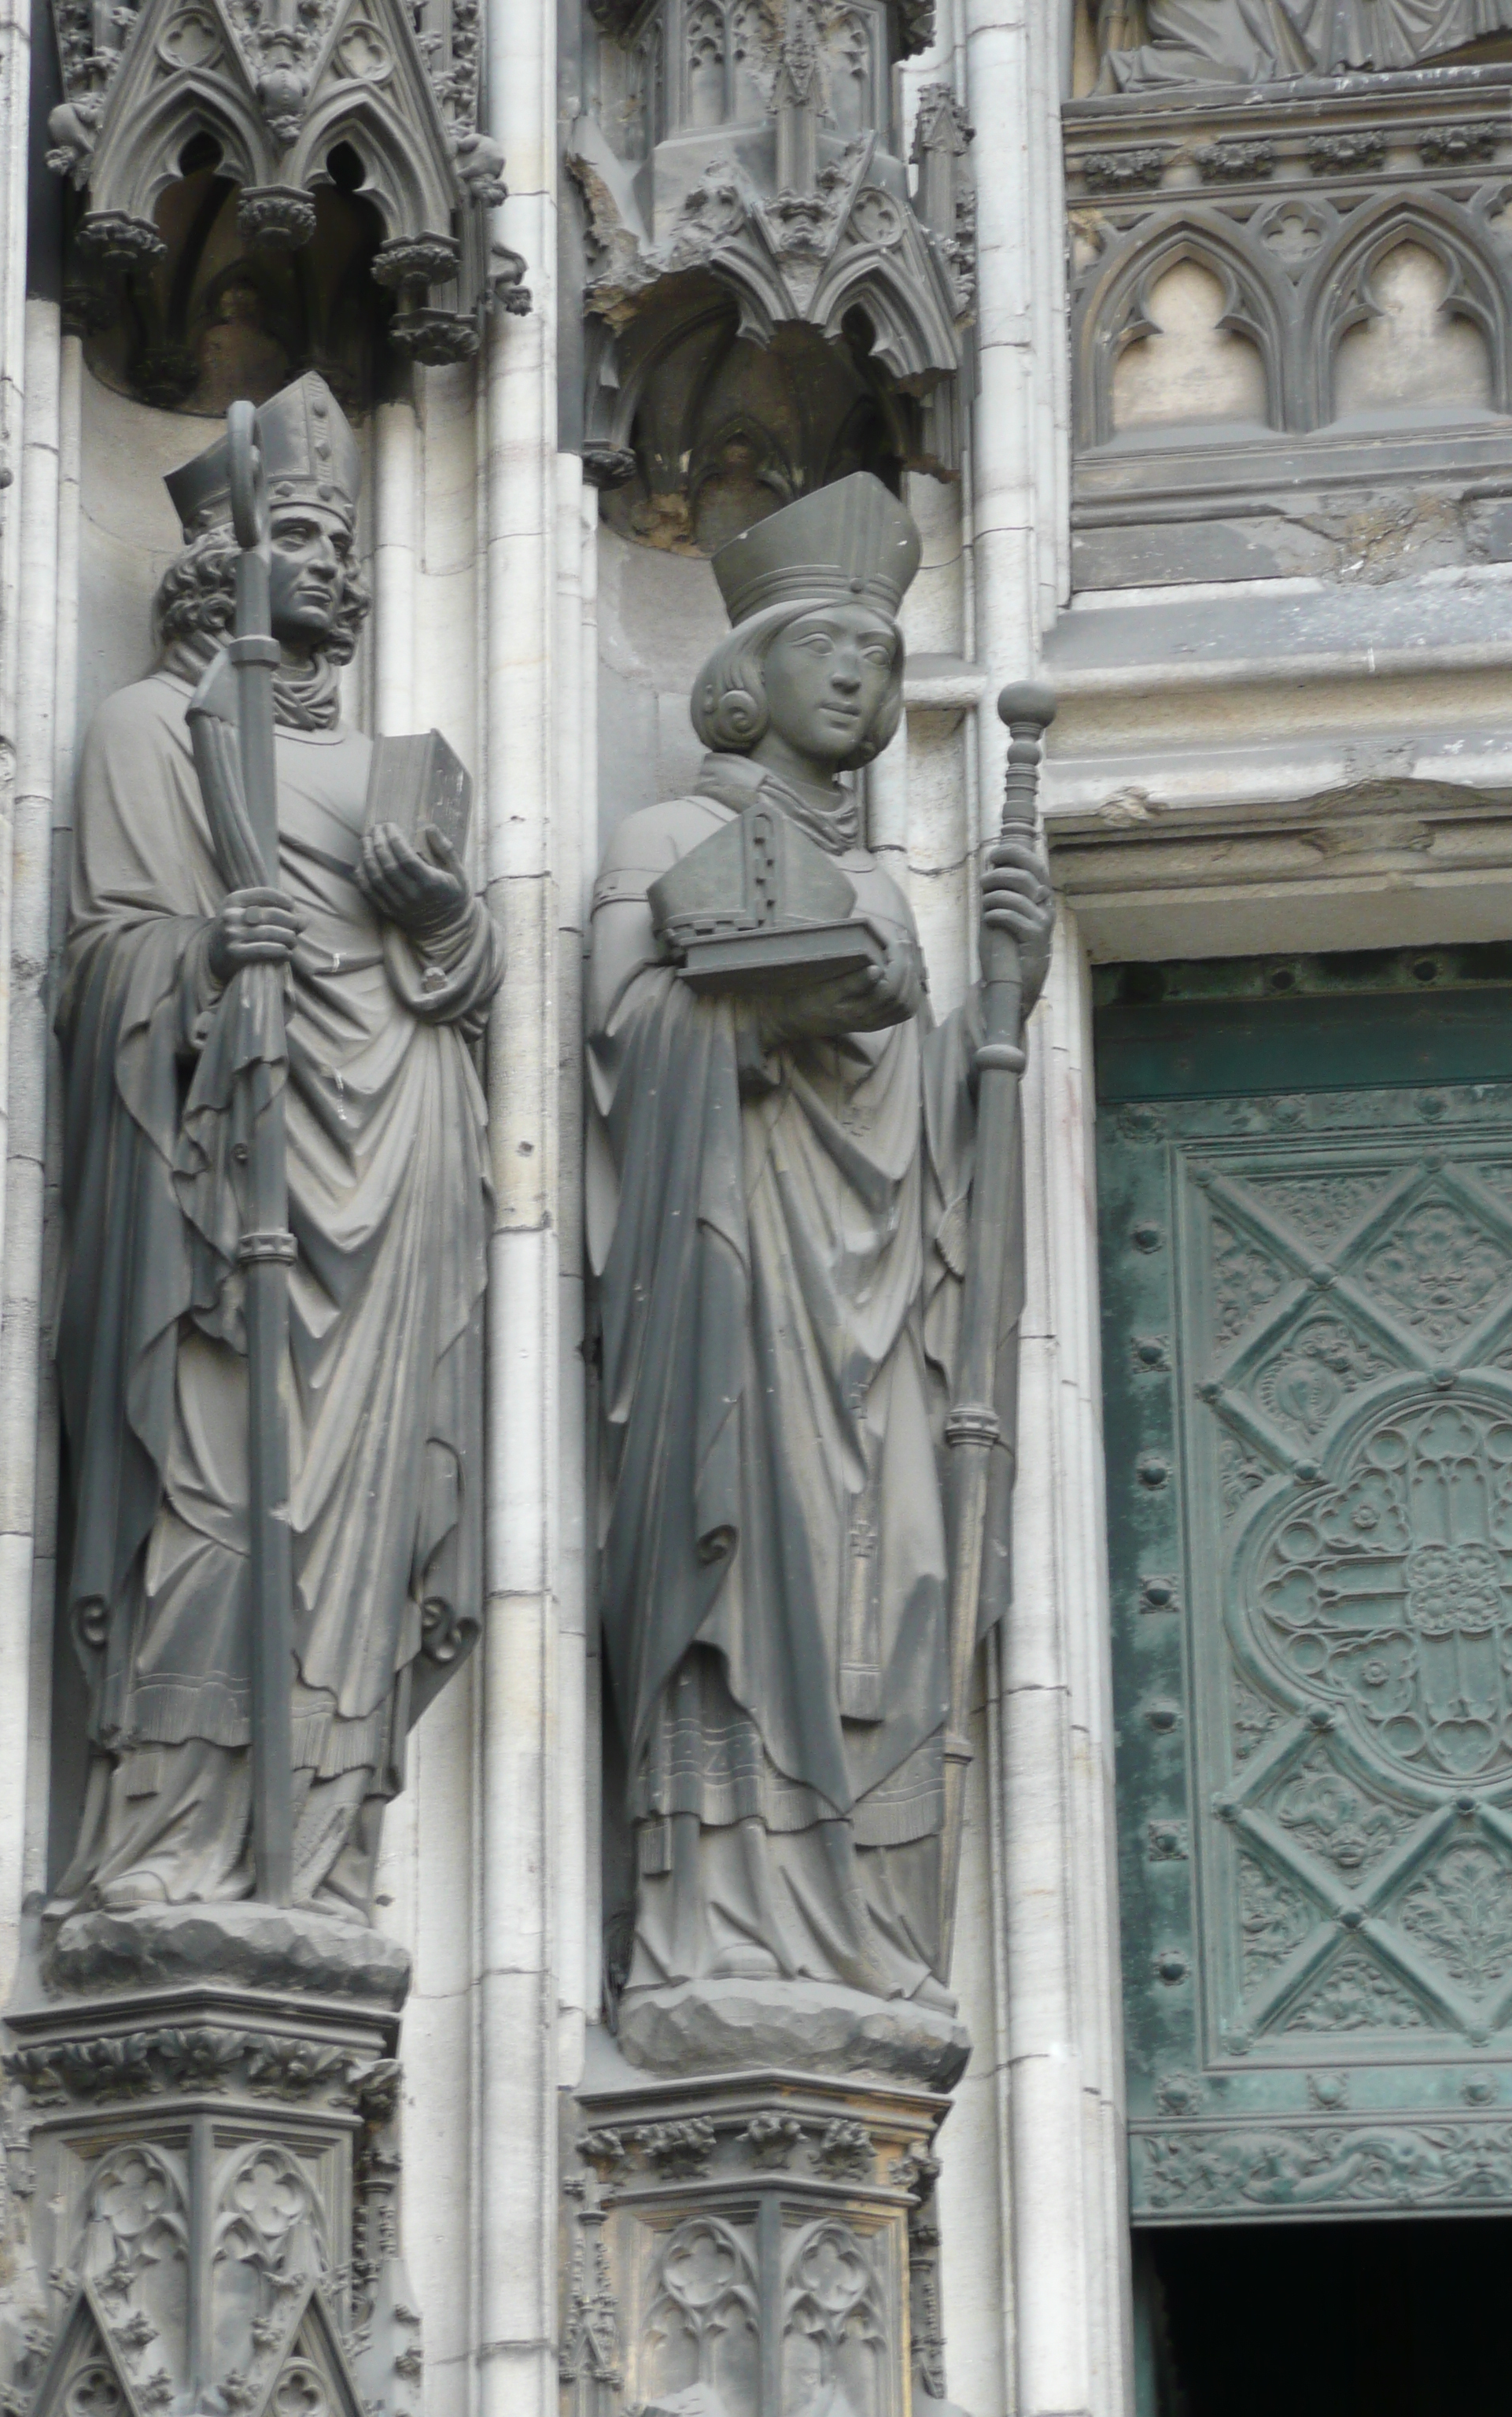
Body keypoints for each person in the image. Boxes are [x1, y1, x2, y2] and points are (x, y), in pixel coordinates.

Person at [586, 474, 1053, 2055]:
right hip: (739, 1294)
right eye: (828, 644)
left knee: (906, 1583)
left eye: (881, 650)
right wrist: (753, 1006)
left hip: (882, 1330)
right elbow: (624, 1039)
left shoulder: (887, 895)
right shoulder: (666, 839)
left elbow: (939, 1166)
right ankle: (722, 1919)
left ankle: (863, 1930)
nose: (861, 671)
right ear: (749, 673)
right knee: (749, 1566)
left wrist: (1000, 1009)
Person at [53, 372, 500, 1925]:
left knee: (360, 1528)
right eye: (290, 532)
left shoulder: (395, 770)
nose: (325, 560)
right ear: (209, 564)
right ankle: (167, 1837)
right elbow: (109, 951)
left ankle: (320, 1850)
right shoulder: (151, 731)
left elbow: (467, 993)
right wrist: (198, 957)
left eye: (338, 537)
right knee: (217, 1499)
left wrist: (449, 923)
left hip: (403, 1172)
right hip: (224, 1178)